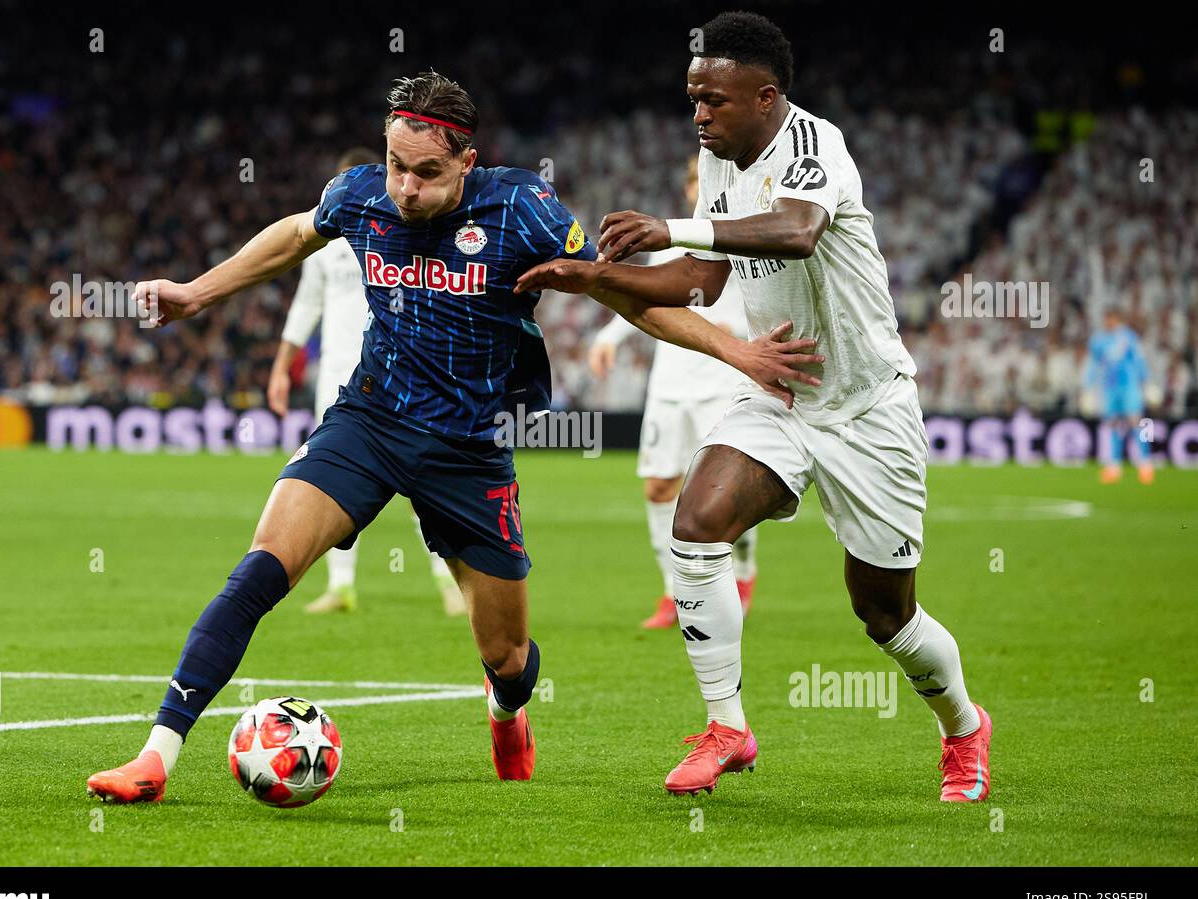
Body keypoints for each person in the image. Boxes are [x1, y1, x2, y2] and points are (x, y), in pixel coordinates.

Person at [87, 70, 805, 802]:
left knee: (508, 657)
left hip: (470, 450)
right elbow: (296, 235)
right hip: (367, 423)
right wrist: (196, 292)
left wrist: (736, 350)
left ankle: (507, 711)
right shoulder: (361, 193)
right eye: (397, 165)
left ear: (466, 162)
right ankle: (156, 755)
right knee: (257, 574)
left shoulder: (522, 207)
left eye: (427, 173)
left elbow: (622, 294)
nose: (405, 187)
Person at [516, 11, 992, 801]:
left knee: (884, 615)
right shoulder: (720, 161)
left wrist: (668, 225)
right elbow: (701, 283)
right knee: (695, 521)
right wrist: (591, 277)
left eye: (715, 101)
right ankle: (729, 727)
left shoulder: (815, 147)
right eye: (693, 99)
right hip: (782, 393)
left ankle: (963, 727)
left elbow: (796, 233)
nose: (699, 116)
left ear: (766, 98)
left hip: (870, 408)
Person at [268, 146, 467, 616]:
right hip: (336, 372)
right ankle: (341, 587)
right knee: (333, 481)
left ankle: (449, 580)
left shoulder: (399, 231)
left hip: (395, 369)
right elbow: (306, 306)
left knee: (423, 480)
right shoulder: (324, 244)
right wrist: (281, 366)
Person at [587, 155, 757, 629]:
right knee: (660, 486)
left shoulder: (747, 240)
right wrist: (608, 336)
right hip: (670, 384)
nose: (700, 187)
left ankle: (742, 570)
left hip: (722, 380)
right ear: (686, 190)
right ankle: (672, 593)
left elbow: (762, 310)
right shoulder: (671, 244)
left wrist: (732, 328)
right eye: (694, 181)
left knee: (726, 495)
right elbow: (645, 297)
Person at [1083, 310, 1153, 484]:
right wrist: (1088, 387)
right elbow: (1093, 363)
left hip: (1129, 385)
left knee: (1137, 422)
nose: (1108, 322)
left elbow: (1138, 359)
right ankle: (1115, 466)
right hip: (1110, 387)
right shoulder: (1099, 340)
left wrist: (1146, 381)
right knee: (1113, 424)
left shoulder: (1128, 337)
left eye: (1111, 318)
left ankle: (1145, 463)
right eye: (1106, 318)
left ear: (1117, 319)